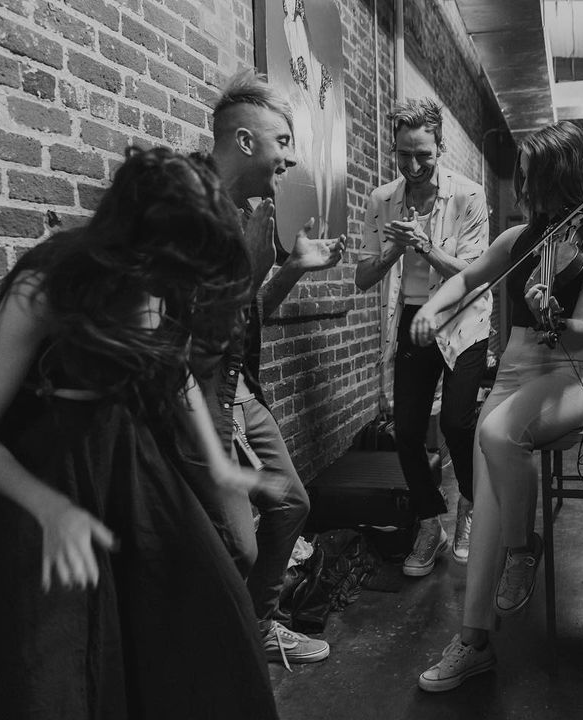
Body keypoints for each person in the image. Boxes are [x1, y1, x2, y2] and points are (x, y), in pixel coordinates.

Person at [0, 147, 279, 719]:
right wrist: (51, 510)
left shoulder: (162, 277)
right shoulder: (44, 285)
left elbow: (174, 373)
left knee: (211, 612)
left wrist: (221, 467)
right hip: (45, 475)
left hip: (127, 458)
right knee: (59, 668)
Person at [412, 121, 583, 691]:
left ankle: (521, 548)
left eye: (535, 177)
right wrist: (432, 309)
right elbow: (468, 279)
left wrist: (554, 313)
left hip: (572, 375)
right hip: (513, 372)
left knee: (498, 433)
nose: (525, 190)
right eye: (523, 178)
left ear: (566, 174)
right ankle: (472, 641)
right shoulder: (518, 240)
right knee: (485, 493)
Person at [203, 68, 345, 666]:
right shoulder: (191, 210)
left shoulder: (244, 212)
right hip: (202, 395)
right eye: (282, 142)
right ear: (244, 141)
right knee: (235, 542)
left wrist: (288, 269)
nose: (290, 158)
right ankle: (220, 644)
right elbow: (191, 333)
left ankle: (257, 626)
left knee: (291, 504)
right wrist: (258, 267)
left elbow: (247, 312)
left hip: (239, 388)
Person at [355, 98, 491, 577]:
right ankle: (431, 523)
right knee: (408, 431)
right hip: (412, 318)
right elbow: (363, 276)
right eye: (403, 155)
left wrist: (426, 246)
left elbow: (476, 273)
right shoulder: (381, 200)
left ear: (440, 147)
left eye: (423, 155)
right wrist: (395, 249)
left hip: (463, 318)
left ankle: (469, 506)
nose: (412, 166)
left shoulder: (469, 196)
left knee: (456, 423)